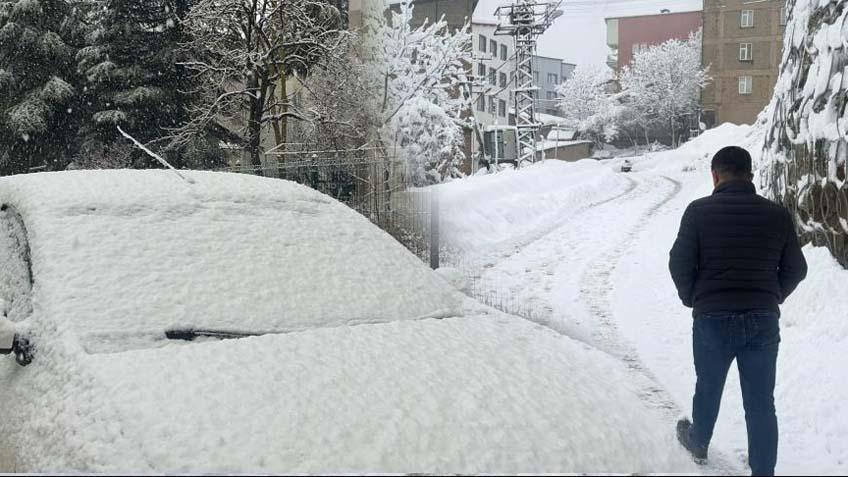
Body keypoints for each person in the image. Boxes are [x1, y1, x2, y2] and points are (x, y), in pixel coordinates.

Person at [668, 146, 808, 476]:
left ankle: (698, 442)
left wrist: (694, 299)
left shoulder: (698, 212)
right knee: (761, 403)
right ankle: (763, 470)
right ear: (750, 174)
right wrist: (772, 296)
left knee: (708, 386)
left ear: (715, 176)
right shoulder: (777, 215)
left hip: (712, 320)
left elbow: (679, 263)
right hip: (762, 321)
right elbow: (797, 268)